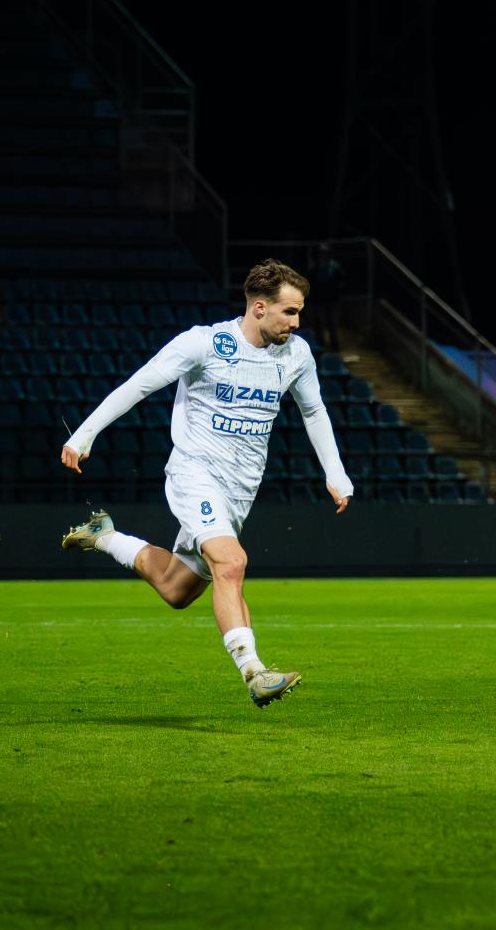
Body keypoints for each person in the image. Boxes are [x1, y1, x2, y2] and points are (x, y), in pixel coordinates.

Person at [58, 259, 354, 708]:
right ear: (259, 307)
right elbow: (140, 384)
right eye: (290, 312)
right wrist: (84, 435)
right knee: (231, 563)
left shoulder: (296, 354)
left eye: (299, 312)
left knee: (176, 589)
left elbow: (313, 411)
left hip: (240, 488)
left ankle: (105, 536)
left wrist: (335, 472)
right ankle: (255, 672)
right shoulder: (204, 343)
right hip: (194, 472)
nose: (297, 322)